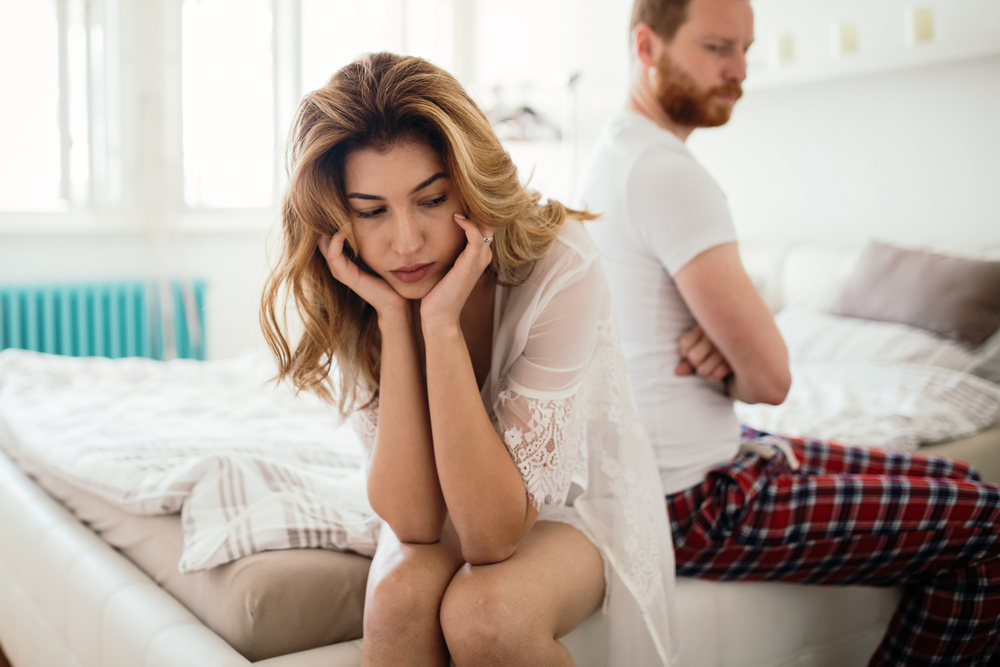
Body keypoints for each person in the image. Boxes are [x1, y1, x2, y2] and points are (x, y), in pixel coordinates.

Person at [577, 0, 1000, 664]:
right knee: (989, 519)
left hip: (684, 463)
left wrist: (735, 343)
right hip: (692, 500)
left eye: (746, 49)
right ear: (647, 46)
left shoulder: (615, 153)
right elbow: (772, 378)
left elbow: (745, 356)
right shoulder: (665, 172)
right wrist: (745, 350)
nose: (739, 70)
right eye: (718, 47)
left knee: (959, 476)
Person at [260, 53, 677, 666]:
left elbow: (490, 536)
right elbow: (415, 521)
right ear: (339, 217)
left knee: (487, 615)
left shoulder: (560, 265)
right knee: (400, 601)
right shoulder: (357, 284)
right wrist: (397, 323)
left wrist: (443, 325)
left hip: (573, 512)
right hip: (449, 506)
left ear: (469, 183)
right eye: (372, 211)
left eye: (430, 200)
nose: (405, 242)